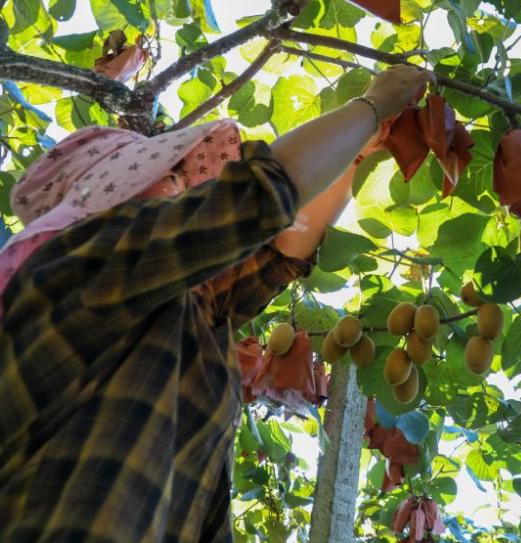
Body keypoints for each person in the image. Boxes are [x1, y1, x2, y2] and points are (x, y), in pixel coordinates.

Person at [0, 64, 433, 542]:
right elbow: (257, 198)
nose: (194, 191)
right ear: (111, 196)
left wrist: (354, 153)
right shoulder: (77, 264)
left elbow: (281, 247)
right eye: (177, 179)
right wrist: (371, 106)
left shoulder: (182, 313)